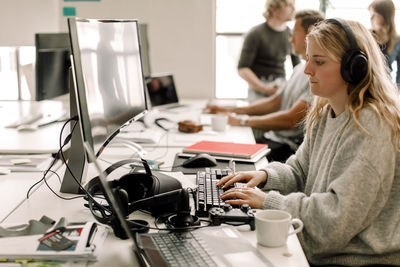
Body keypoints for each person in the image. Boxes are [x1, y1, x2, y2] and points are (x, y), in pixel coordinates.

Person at [217, 18, 400, 265]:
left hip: (358, 260)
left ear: (354, 67)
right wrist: (265, 176)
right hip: (326, 250)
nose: (307, 70)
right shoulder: (327, 112)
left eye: (319, 62)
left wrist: (268, 201)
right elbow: (299, 170)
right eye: (308, 59)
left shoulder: (371, 125)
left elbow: (336, 219)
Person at [207, 10, 324, 163]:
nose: (290, 39)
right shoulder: (298, 70)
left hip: (284, 148)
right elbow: (275, 102)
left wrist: (243, 121)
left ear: (311, 33)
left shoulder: (315, 75)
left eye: (295, 33)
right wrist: (230, 110)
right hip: (271, 139)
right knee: (218, 150)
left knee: (224, 158)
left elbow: (291, 120)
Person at [238, 0, 300, 102]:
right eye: (289, 6)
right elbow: (242, 69)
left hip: (281, 85)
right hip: (258, 87)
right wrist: (264, 89)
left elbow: (297, 68)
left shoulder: (291, 34)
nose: (294, 9)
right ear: (274, 10)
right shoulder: (255, 34)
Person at [369, 0, 400, 86]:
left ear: (385, 16)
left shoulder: (397, 40)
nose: (371, 18)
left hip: (386, 86)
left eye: (374, 15)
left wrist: (396, 90)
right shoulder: (367, 36)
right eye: (370, 15)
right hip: (367, 85)